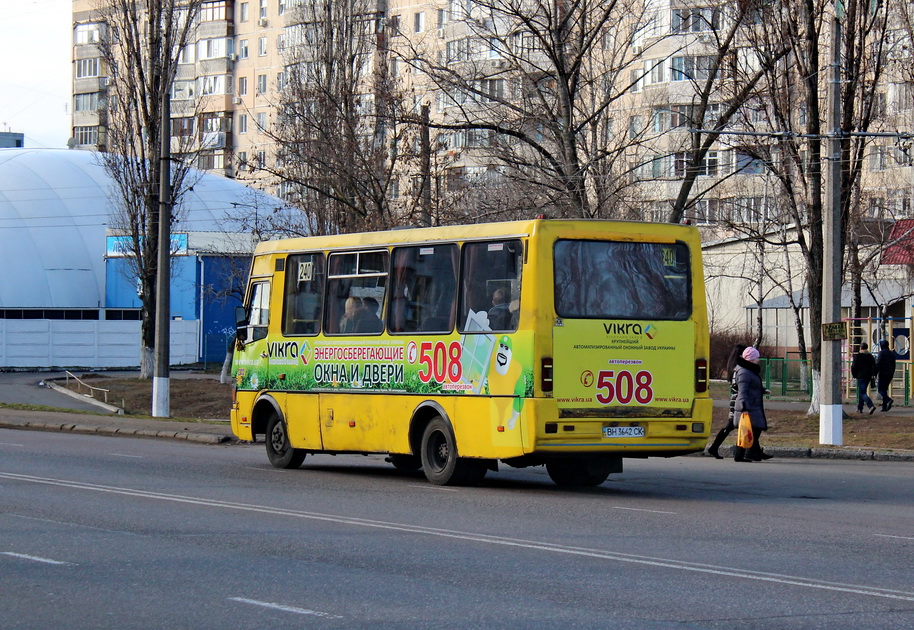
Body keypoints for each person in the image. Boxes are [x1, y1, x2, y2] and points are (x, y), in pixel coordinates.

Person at [732, 346, 771, 462]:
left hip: (753, 406)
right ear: (751, 359)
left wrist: (763, 390)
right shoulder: (745, 372)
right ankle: (742, 455)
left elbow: (752, 387)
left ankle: (748, 454)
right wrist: (744, 406)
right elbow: (742, 391)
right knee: (749, 431)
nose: (758, 360)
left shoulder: (749, 371)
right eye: (756, 357)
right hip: (748, 407)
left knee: (751, 431)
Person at [706, 343, 746, 459]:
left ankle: (714, 447)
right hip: (737, 399)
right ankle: (714, 447)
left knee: (735, 425)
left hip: (735, 398)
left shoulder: (733, 365)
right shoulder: (738, 367)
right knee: (732, 425)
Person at [850, 342, 877, 415]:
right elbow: (874, 366)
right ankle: (860, 408)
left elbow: (853, 366)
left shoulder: (858, 356)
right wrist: (874, 375)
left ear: (860, 348)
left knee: (862, 393)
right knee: (862, 391)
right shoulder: (870, 356)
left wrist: (854, 375)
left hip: (860, 376)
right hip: (868, 376)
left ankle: (870, 406)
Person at [874, 339, 897, 412]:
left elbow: (878, 363)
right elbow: (894, 365)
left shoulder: (881, 353)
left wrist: (874, 373)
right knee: (884, 390)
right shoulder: (891, 353)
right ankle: (884, 407)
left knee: (880, 389)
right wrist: (892, 373)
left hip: (883, 373)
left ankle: (888, 400)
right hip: (890, 374)